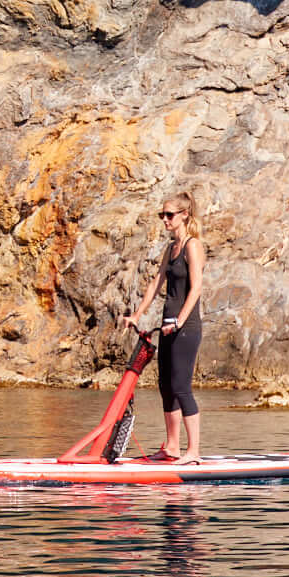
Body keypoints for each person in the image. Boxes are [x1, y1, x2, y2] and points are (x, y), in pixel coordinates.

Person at [123, 193, 206, 462]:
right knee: (165, 386)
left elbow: (196, 288)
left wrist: (180, 320)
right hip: (167, 326)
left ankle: (192, 452)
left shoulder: (193, 246)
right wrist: (137, 314)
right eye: (162, 215)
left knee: (181, 387)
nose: (165, 220)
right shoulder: (170, 249)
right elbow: (155, 283)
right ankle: (172, 447)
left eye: (169, 215)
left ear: (184, 215)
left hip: (186, 326)